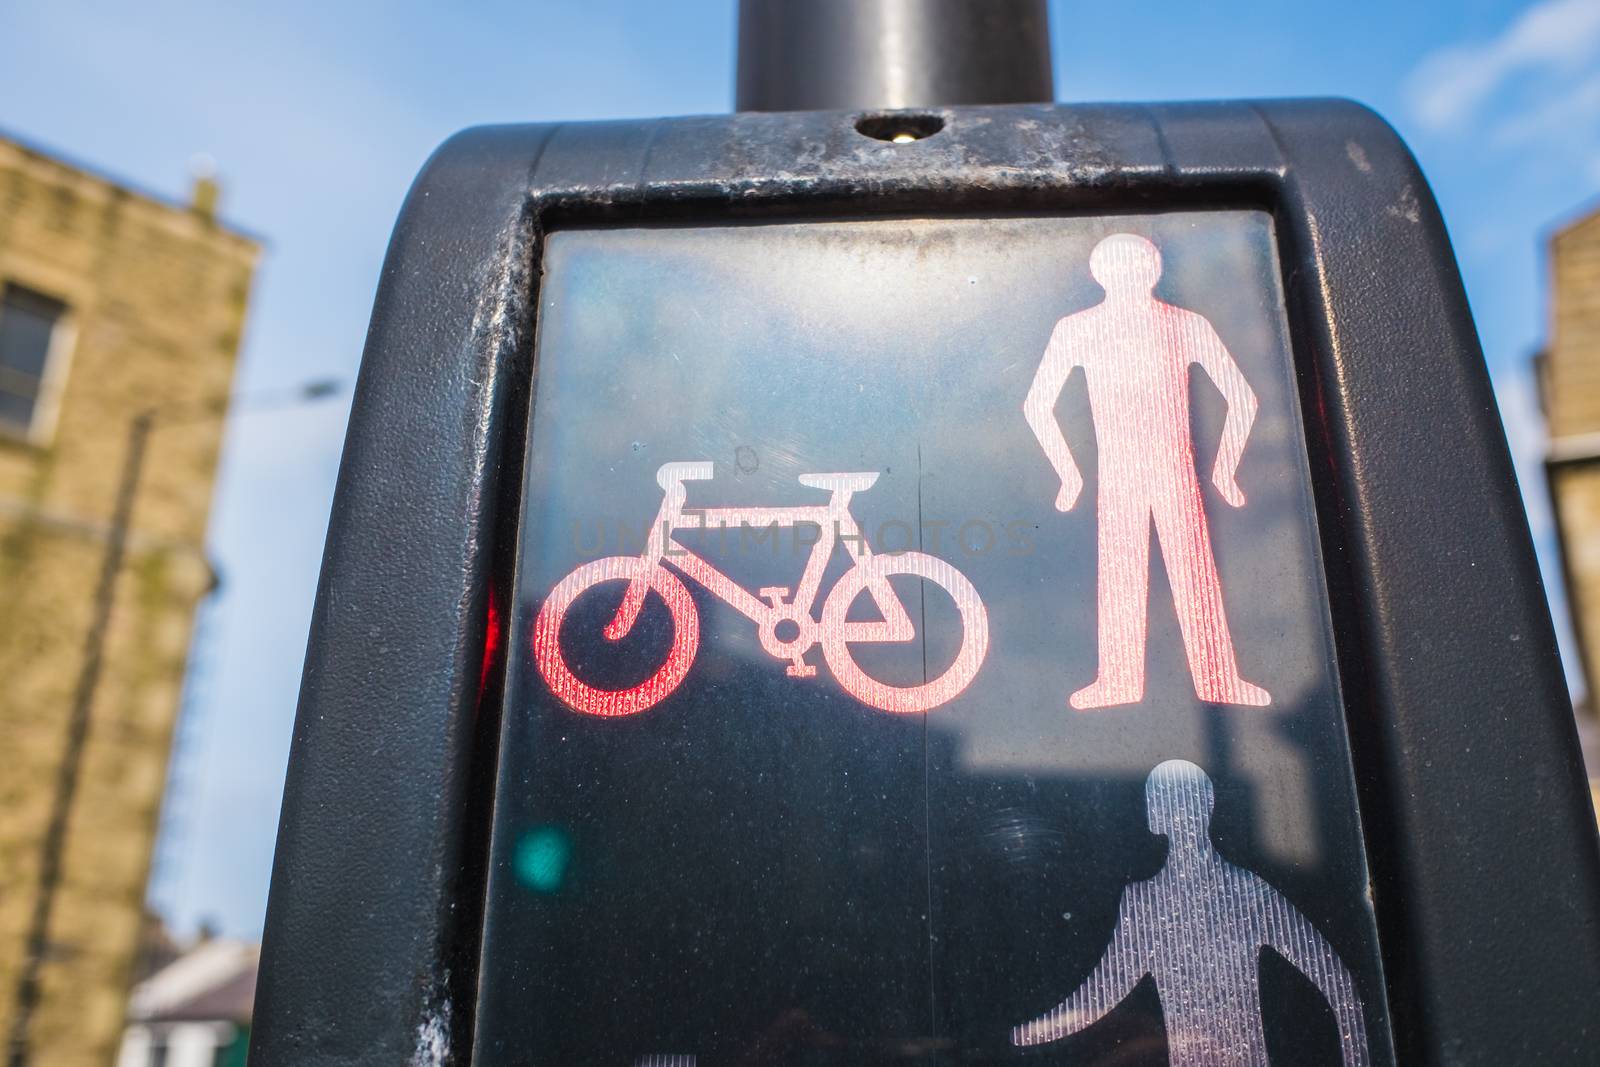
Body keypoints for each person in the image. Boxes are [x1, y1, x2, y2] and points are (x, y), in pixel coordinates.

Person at [1024, 233, 1269, 708]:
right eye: (1118, 266)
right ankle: (1116, 681)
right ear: (1099, 274)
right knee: (1120, 574)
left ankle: (1219, 680)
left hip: (1177, 470)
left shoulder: (1186, 324)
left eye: (1138, 264)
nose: (1129, 274)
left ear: (1154, 270)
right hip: (1119, 472)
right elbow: (1037, 405)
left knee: (1195, 571)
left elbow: (1242, 397)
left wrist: (1225, 470)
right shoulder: (1077, 328)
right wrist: (1068, 474)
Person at [1012, 760, 1369, 1066]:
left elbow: (1334, 980)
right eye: (1169, 803)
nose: (1177, 814)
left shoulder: (1249, 894)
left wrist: (1358, 1057)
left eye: (1179, 803)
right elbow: (1104, 991)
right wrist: (1028, 1034)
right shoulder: (1145, 902)